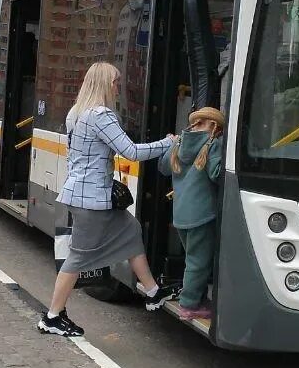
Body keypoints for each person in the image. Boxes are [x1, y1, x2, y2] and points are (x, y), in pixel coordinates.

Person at [39, 62, 177, 338]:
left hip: (81, 194)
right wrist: (168, 142)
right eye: (115, 82)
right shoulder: (101, 115)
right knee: (78, 257)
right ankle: (53, 316)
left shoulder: (76, 114)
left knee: (130, 229)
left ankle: (152, 292)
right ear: (104, 84)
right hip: (91, 200)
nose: (118, 87)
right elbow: (131, 152)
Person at [159, 106, 225, 321]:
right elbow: (216, 175)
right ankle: (189, 305)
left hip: (181, 214)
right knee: (199, 262)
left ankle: (196, 298)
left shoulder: (179, 142)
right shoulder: (213, 144)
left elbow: (163, 167)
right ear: (214, 126)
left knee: (193, 259)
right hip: (202, 215)